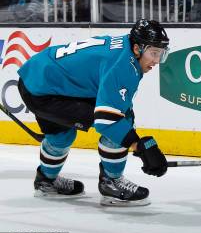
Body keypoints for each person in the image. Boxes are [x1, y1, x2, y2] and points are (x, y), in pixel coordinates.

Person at [17, 19, 170, 206]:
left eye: (160, 54)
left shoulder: (126, 46)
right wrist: (139, 146)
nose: (156, 61)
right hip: (44, 91)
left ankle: (46, 181)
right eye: (153, 53)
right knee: (121, 121)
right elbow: (108, 121)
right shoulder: (123, 65)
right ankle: (111, 183)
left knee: (61, 135)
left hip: (40, 78)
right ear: (137, 49)